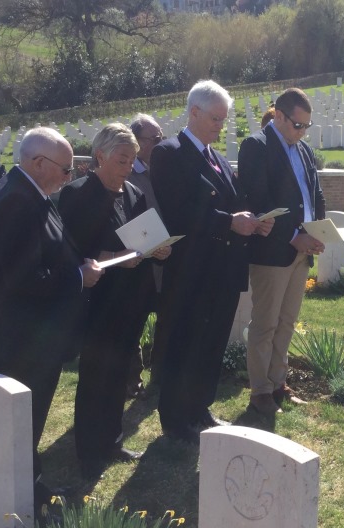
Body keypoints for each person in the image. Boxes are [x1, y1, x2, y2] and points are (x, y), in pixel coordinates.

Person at [0, 127, 103, 506]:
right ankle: (21, 497)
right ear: (38, 163)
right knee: (24, 419)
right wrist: (79, 277)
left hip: (32, 332)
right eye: (66, 170)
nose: (69, 178)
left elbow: (51, 248)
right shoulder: (18, 200)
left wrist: (78, 260)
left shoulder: (30, 192)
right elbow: (24, 279)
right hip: (25, 336)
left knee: (28, 419)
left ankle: (29, 486)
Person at [149, 79, 272, 441]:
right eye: (216, 118)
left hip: (224, 267)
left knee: (212, 342)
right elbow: (180, 210)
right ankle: (175, 418)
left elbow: (231, 202)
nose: (221, 125)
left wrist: (251, 220)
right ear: (194, 112)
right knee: (185, 341)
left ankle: (200, 408)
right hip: (192, 268)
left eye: (224, 119)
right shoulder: (169, 153)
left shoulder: (216, 157)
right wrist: (229, 222)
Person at [58, 123, 171, 481]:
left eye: (133, 160)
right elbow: (70, 249)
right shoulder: (77, 193)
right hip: (98, 298)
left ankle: (112, 439)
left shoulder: (133, 194)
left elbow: (143, 237)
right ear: (100, 156)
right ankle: (90, 449)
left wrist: (159, 249)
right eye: (122, 160)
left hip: (131, 296)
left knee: (121, 370)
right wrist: (112, 254)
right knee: (95, 374)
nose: (128, 167)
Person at [238, 87, 326, 417]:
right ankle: (260, 390)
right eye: (297, 125)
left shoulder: (302, 150)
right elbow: (259, 200)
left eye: (306, 126)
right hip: (273, 251)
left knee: (287, 322)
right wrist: (292, 236)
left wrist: (318, 230)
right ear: (278, 115)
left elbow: (315, 193)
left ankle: (278, 383)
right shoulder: (256, 146)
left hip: (302, 250)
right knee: (265, 324)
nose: (301, 132)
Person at [127, 113, 167, 393]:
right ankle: (132, 377)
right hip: (140, 259)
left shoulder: (163, 167)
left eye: (161, 137)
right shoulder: (127, 173)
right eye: (155, 139)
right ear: (136, 142)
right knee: (134, 320)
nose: (160, 143)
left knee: (167, 317)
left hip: (166, 255)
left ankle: (161, 374)